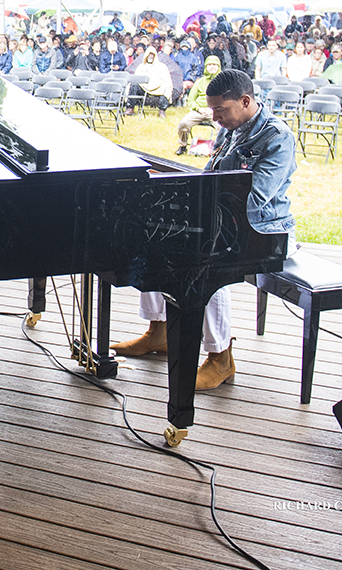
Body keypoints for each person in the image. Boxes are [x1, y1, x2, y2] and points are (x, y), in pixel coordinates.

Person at [114, 69, 297, 391]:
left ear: (245, 101)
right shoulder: (231, 126)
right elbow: (210, 177)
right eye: (212, 111)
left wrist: (202, 209)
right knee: (154, 239)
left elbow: (256, 198)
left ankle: (220, 357)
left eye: (220, 111)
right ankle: (159, 331)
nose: (214, 118)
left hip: (265, 229)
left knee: (203, 265)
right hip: (221, 220)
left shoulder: (277, 136)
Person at [175, 55, 222, 154]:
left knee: (222, 127)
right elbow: (191, 100)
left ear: (218, 67)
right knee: (184, 123)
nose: (212, 67)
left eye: (214, 65)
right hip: (199, 111)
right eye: (209, 65)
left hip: (216, 112)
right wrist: (199, 109)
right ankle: (183, 146)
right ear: (206, 67)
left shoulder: (223, 82)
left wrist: (214, 110)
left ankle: (220, 149)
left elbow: (226, 101)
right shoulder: (199, 82)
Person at [134, 47, 173, 116]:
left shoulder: (161, 66)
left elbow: (166, 79)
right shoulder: (141, 66)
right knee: (134, 84)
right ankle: (130, 108)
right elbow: (136, 78)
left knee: (166, 86)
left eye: (152, 54)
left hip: (158, 87)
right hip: (143, 86)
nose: (150, 56)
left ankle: (162, 110)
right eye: (149, 54)